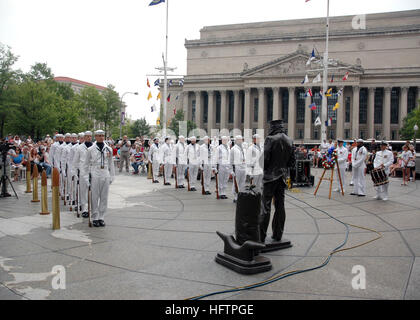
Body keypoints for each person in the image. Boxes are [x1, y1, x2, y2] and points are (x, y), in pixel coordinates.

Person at [260, 120, 295, 243]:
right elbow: (292, 162)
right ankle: (278, 234)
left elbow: (265, 160)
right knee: (280, 206)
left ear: (273, 127)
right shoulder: (290, 140)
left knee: (265, 206)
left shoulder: (270, 139)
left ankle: (261, 236)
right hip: (282, 177)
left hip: (270, 177)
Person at [82, 130, 115, 227]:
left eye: (102, 135)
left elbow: (111, 164)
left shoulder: (108, 149)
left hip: (105, 173)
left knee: (104, 197)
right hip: (95, 173)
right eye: (99, 136)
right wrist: (86, 178)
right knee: (94, 196)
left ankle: (101, 217)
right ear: (95, 137)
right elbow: (86, 165)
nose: (101, 137)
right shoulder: (91, 149)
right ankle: (95, 217)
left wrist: (112, 176)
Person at [73, 131, 92, 218]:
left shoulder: (94, 146)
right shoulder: (80, 147)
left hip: (93, 171)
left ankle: (91, 207)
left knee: (92, 191)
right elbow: (75, 161)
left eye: (90, 136)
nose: (88, 138)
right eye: (87, 136)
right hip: (83, 172)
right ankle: (84, 209)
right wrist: (76, 171)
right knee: (83, 190)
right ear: (84, 137)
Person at [230, 135, 247, 203]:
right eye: (239, 140)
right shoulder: (233, 149)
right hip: (237, 167)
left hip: (244, 167)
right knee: (236, 182)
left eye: (241, 139)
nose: (240, 141)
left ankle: (241, 196)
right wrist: (231, 170)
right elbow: (231, 161)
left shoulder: (244, 148)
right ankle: (236, 196)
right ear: (236, 141)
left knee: (242, 183)